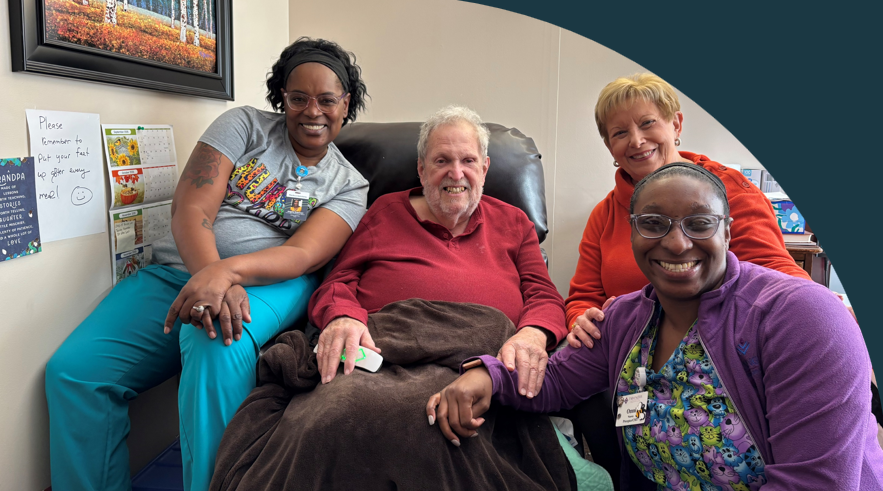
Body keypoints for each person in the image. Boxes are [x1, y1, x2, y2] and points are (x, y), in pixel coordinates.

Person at [428, 164, 883, 490]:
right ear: (631, 232)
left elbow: (815, 482)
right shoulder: (625, 317)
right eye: (653, 223)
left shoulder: (801, 317)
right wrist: (486, 374)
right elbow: (558, 381)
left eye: (699, 223)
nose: (676, 241)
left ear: (728, 232)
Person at [44, 37, 370, 491]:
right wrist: (211, 272)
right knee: (75, 372)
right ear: (283, 98)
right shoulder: (244, 126)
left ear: (345, 103)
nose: (312, 111)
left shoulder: (349, 185)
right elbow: (191, 208)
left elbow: (303, 254)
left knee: (215, 338)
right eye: (298, 98)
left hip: (274, 282)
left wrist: (228, 274)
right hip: (177, 272)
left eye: (326, 100)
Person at [561, 73, 819, 486]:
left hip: (721, 354)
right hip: (634, 359)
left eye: (648, 123)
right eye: (620, 132)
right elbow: (583, 294)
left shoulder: (727, 189)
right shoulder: (604, 213)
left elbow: (780, 275)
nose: (636, 140)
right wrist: (581, 319)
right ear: (610, 147)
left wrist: (823, 321)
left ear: (675, 125)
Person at [309, 104, 565, 400]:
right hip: (385, 370)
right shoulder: (384, 212)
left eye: (468, 160)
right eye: (441, 160)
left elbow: (545, 297)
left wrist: (533, 333)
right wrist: (343, 316)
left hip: (477, 375)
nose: (456, 174)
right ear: (421, 169)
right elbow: (338, 281)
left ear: (484, 169)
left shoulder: (515, 222)